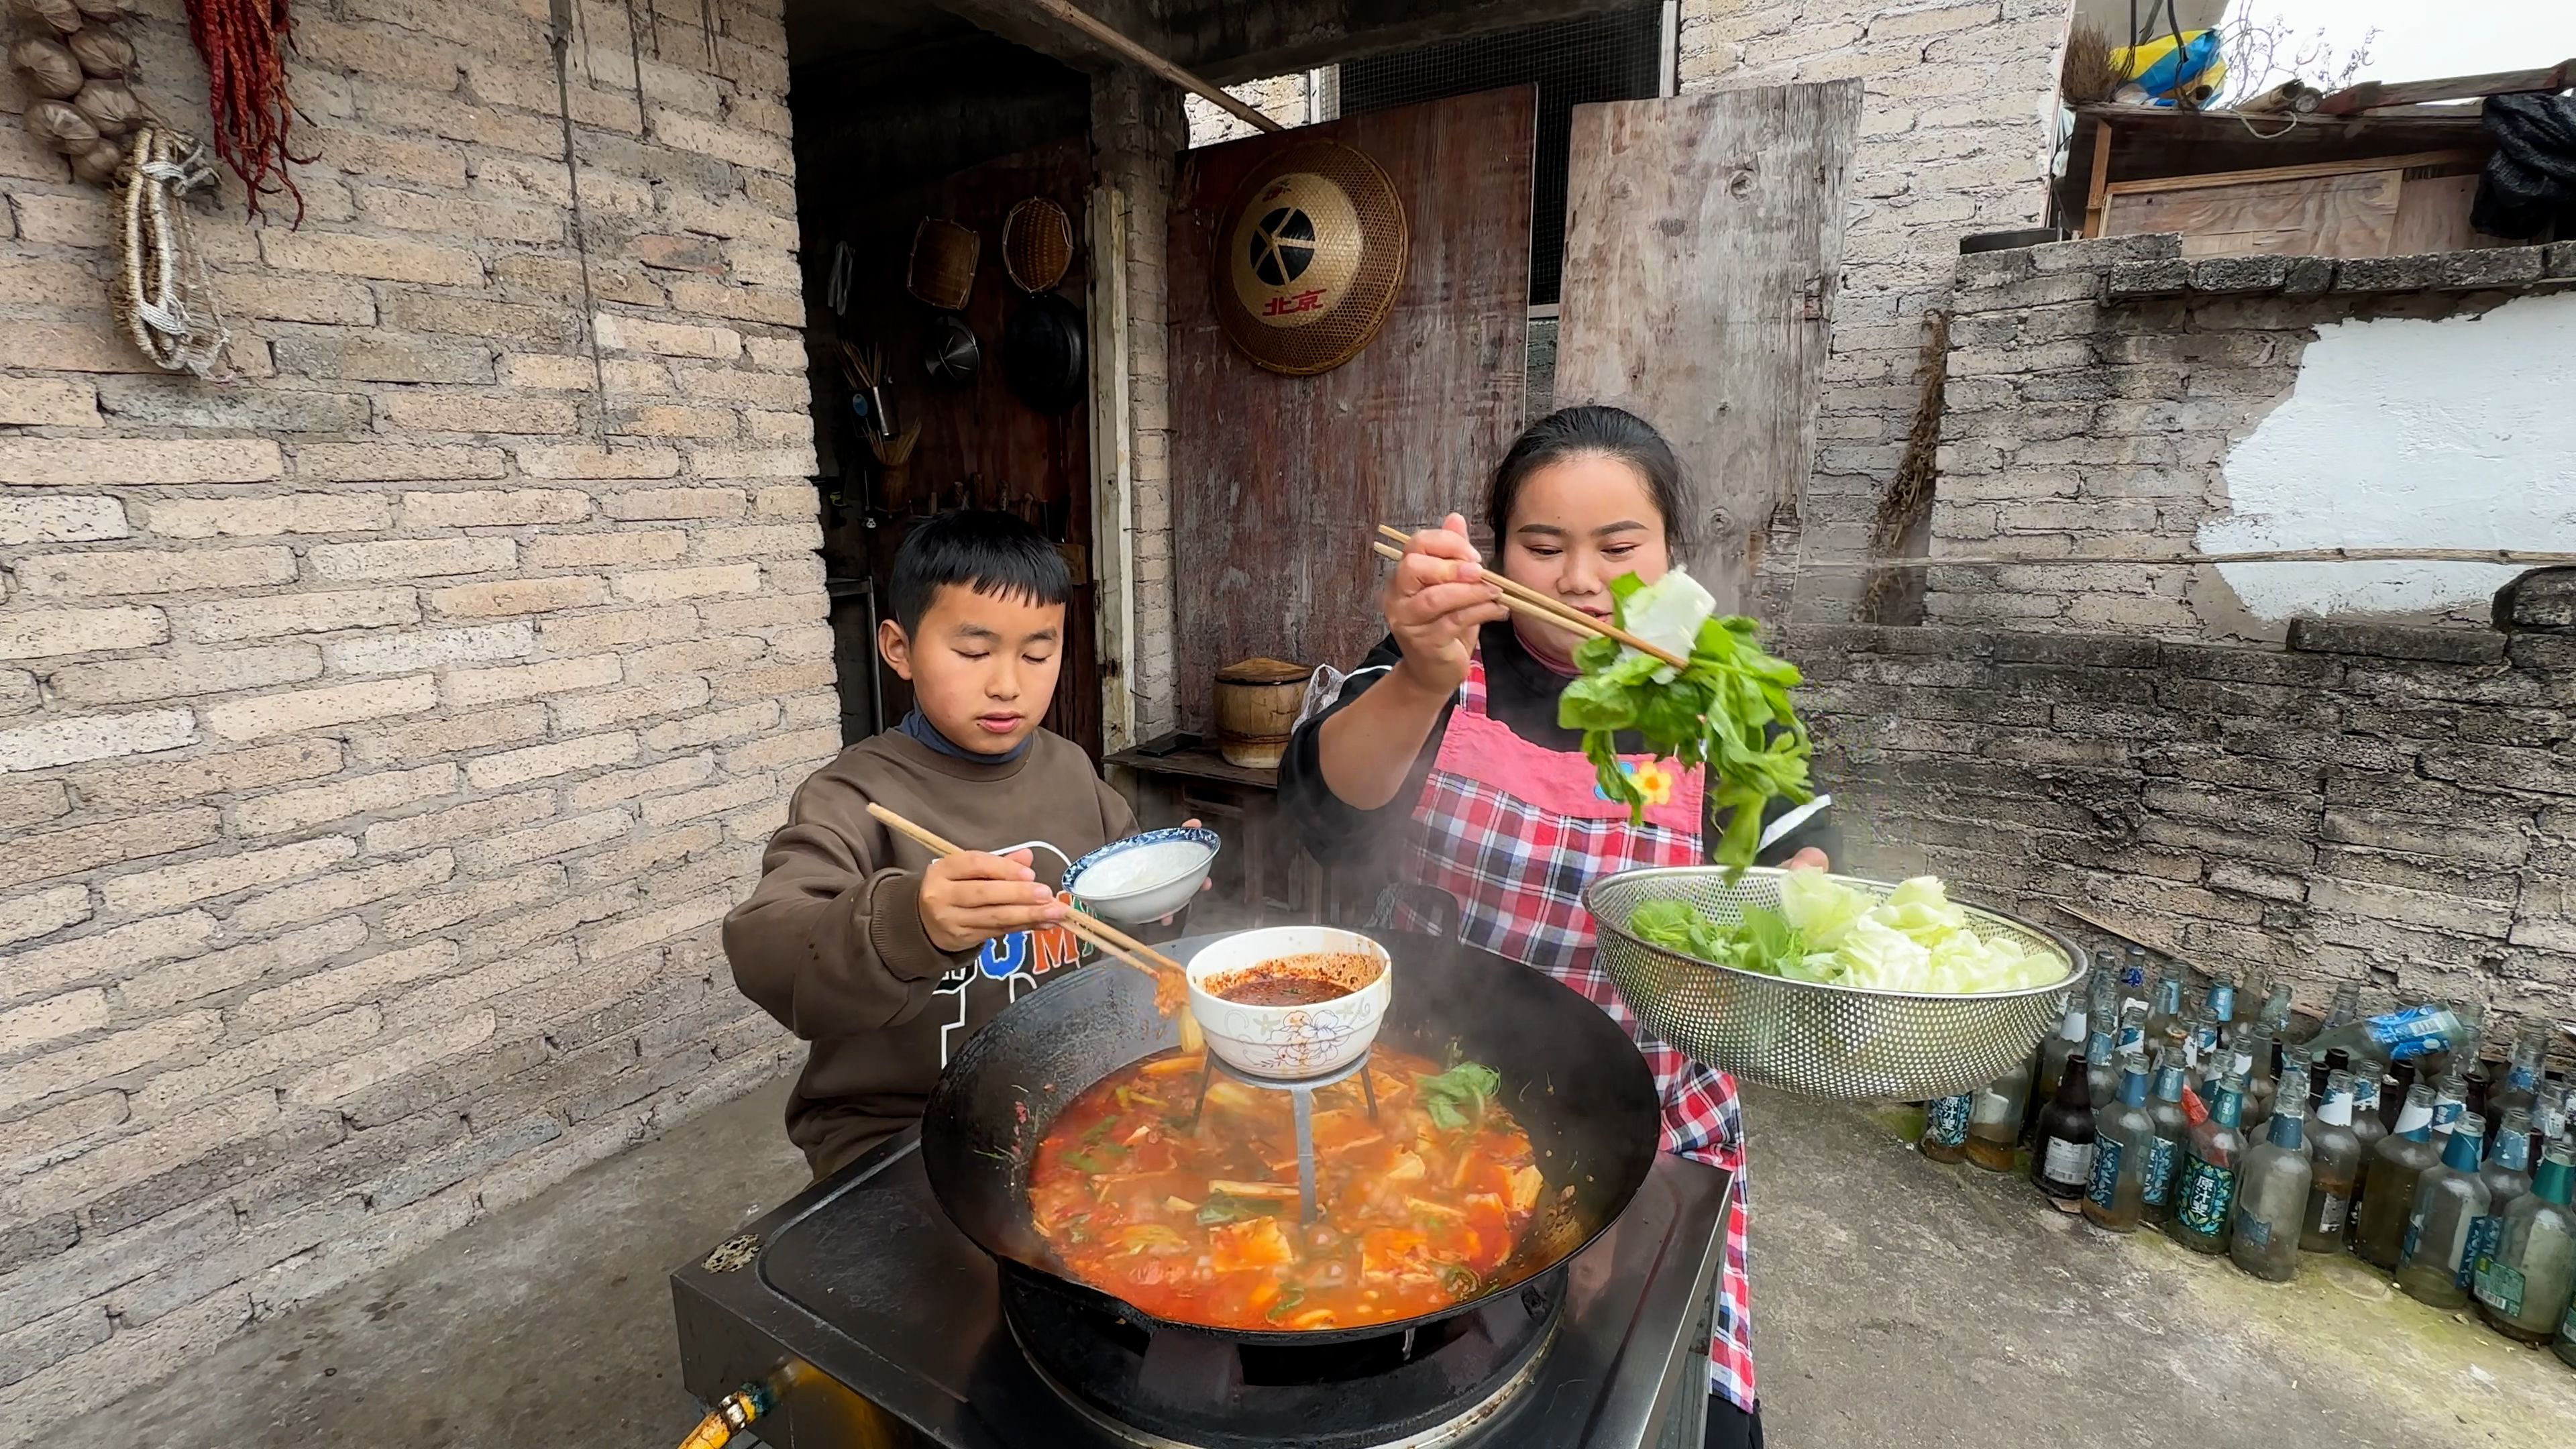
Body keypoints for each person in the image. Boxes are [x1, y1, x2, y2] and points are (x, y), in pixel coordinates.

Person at [1280, 405, 1831, 1449]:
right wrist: (1418, 678)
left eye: (1620, 547)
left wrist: (1801, 904)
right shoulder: (1443, 652)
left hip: (1660, 1110)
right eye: (1543, 545)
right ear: (1496, 554)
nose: (1580, 579)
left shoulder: (1720, 694)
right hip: (1430, 1087)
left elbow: (1804, 860)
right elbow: (1327, 828)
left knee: (1662, 1405)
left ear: (1672, 557)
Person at [724, 509, 1150, 1179]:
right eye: (975, 652)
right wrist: (912, 923)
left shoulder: (1070, 769)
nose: (1008, 682)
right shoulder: (852, 796)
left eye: (1038, 653)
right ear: (899, 649)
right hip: (897, 1127)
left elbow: (1120, 920)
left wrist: (1162, 893)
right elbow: (766, 954)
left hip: (1066, 1096)